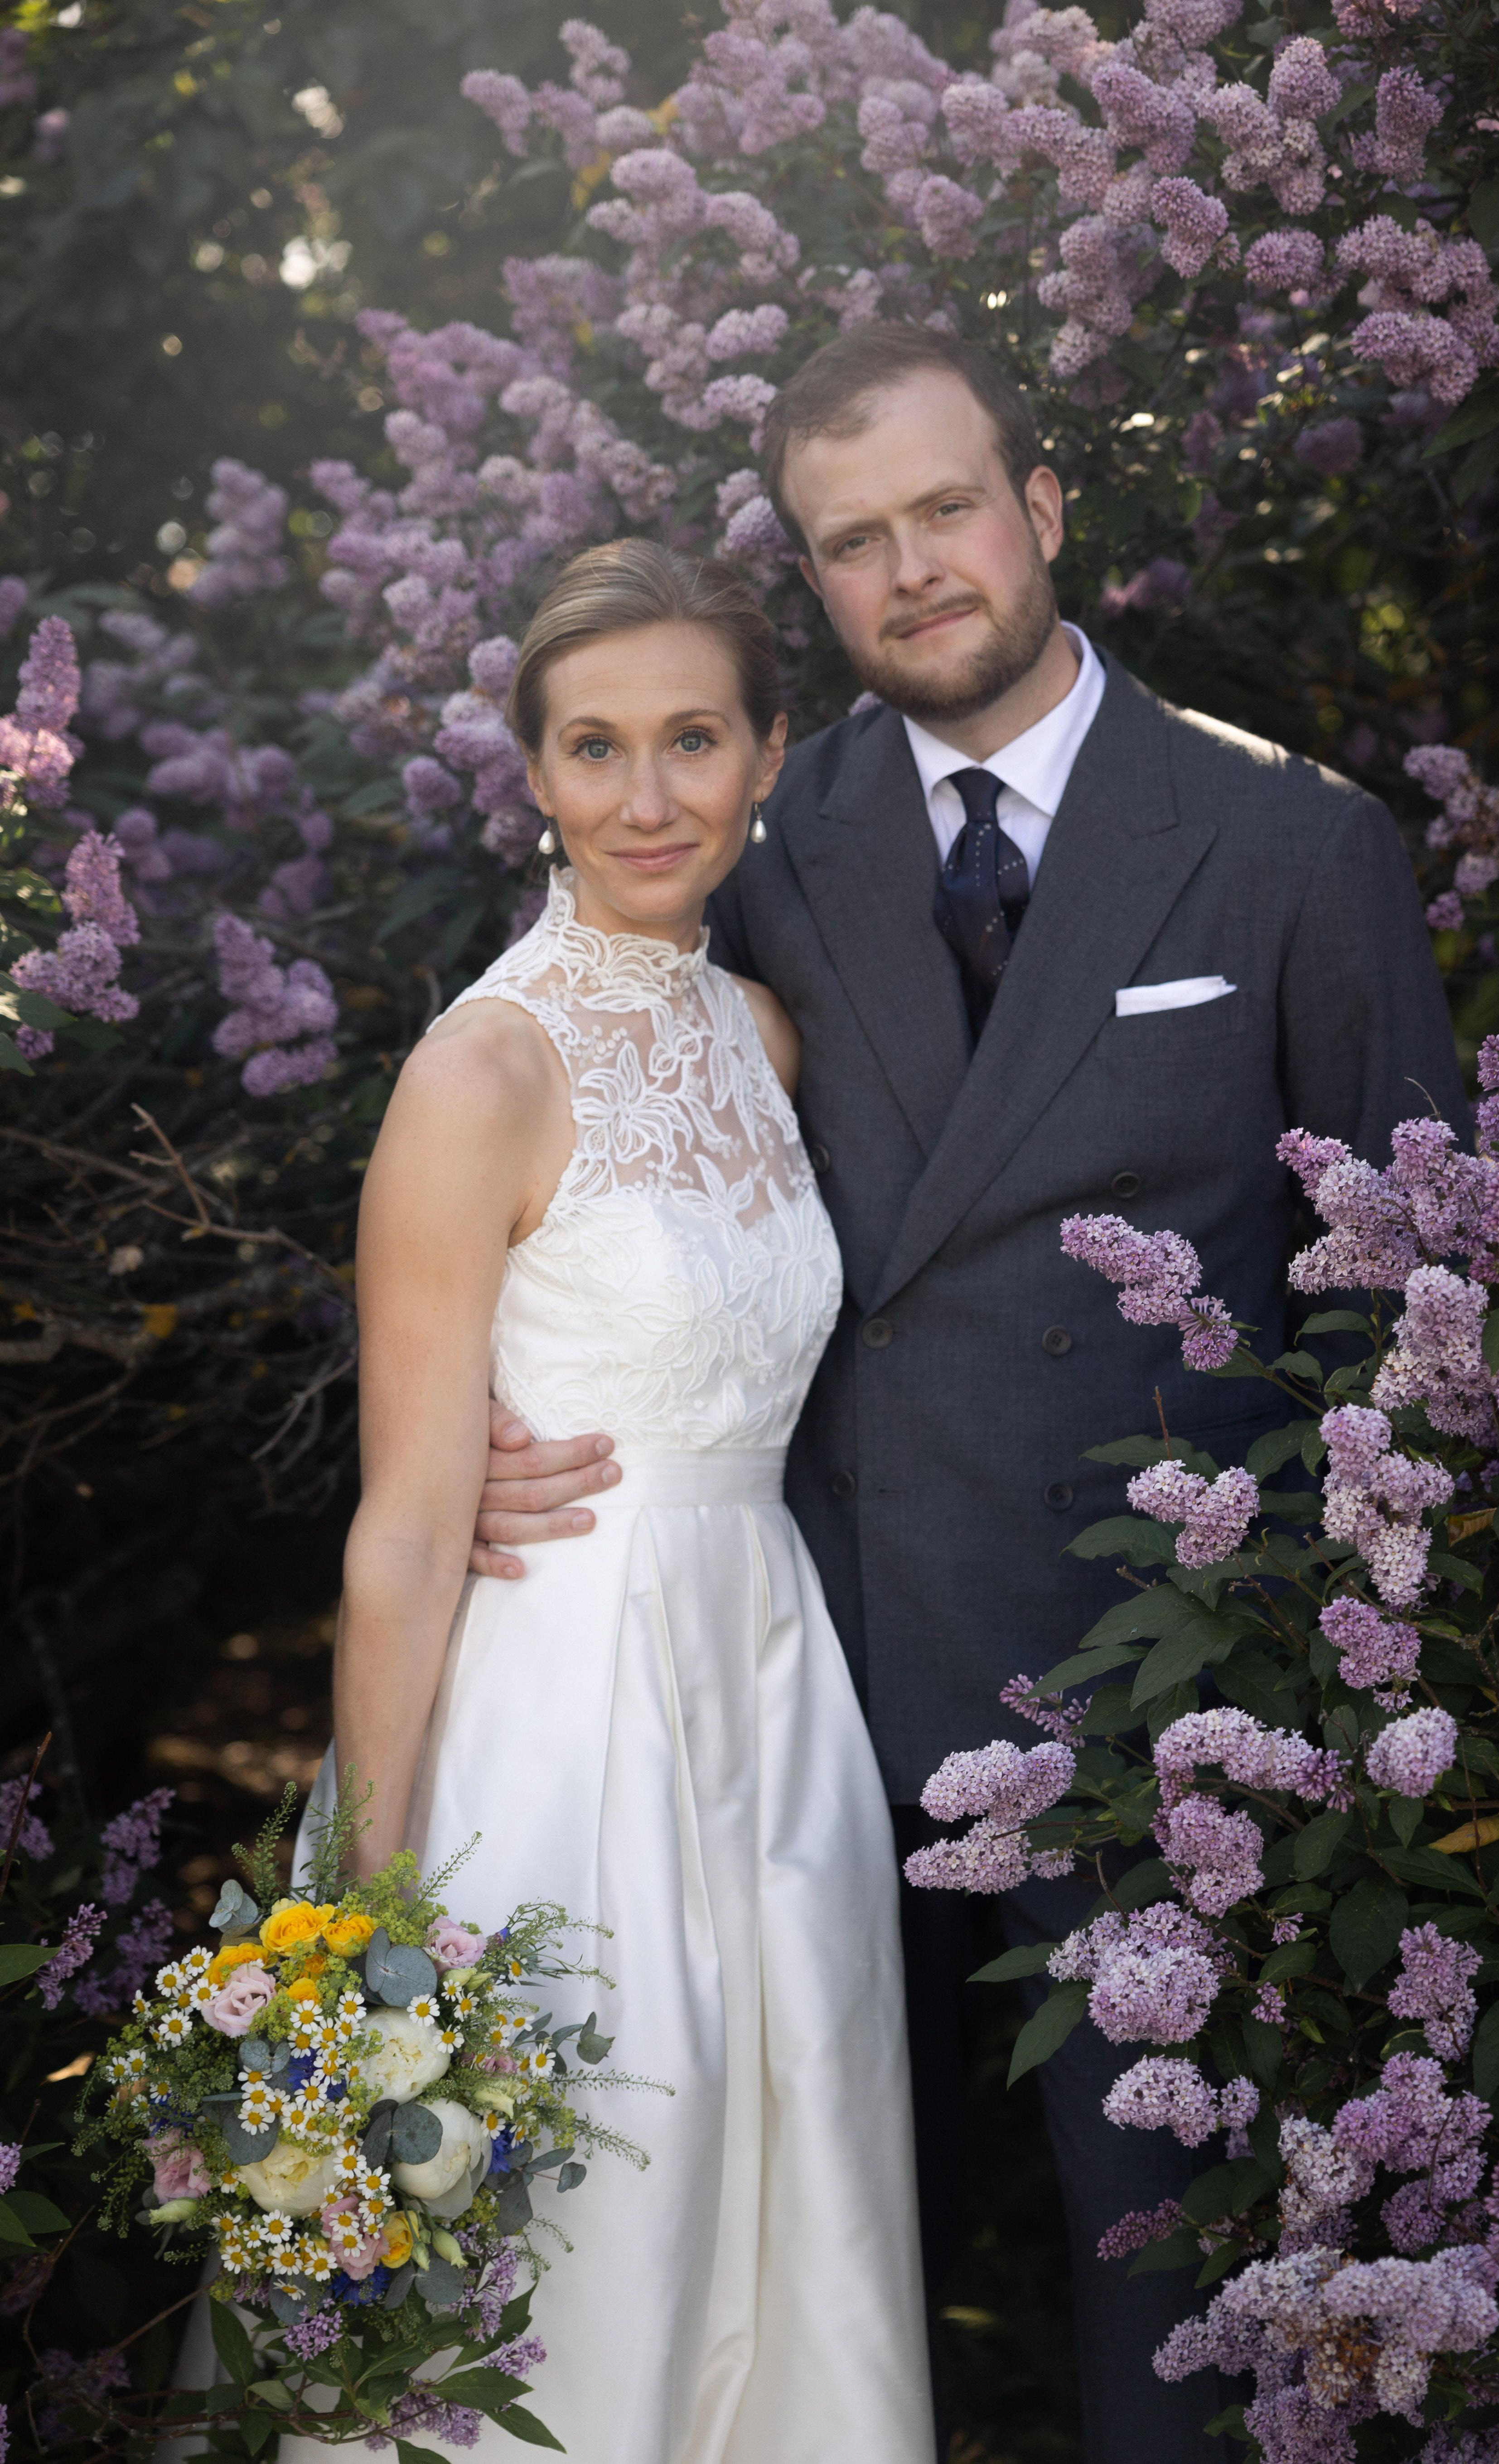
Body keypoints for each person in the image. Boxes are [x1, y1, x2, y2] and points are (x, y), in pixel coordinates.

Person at [467, 327, 1470, 2462]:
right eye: (854, 539)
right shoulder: (758, 838)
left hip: (1169, 1703)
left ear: (1042, 505)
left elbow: (1409, 1309)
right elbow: (597, 1148)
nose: (912, 566)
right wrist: (488, 1419)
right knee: (791, 2270)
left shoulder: (1294, 842)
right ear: (814, 577)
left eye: (944, 509)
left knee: (1178, 2301)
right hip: (805, 1689)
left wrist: (1319, 1672)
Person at [304, 540, 934, 2464]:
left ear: (767, 756)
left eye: (691, 740)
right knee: (582, 2256)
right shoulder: (481, 1070)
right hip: (565, 1715)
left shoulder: (764, 1035)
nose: (646, 797)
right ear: (534, 773)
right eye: (594, 747)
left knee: (791, 2223)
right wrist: (356, 1930)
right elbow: (405, 1524)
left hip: (775, 1703)